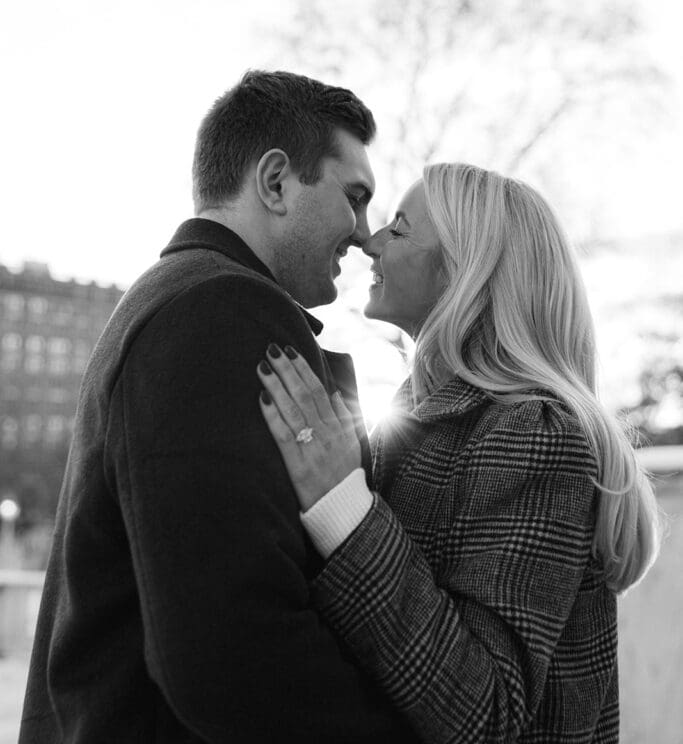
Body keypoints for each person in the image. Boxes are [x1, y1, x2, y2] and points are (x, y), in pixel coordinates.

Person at [20, 70, 417, 743]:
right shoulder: (219, 311)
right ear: (274, 183)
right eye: (354, 198)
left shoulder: (174, 297)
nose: (362, 233)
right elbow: (229, 647)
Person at [256, 163, 662, 744]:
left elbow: (486, 715)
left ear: (462, 272)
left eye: (398, 228)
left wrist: (343, 508)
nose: (368, 241)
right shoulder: (426, 416)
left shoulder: (537, 435)